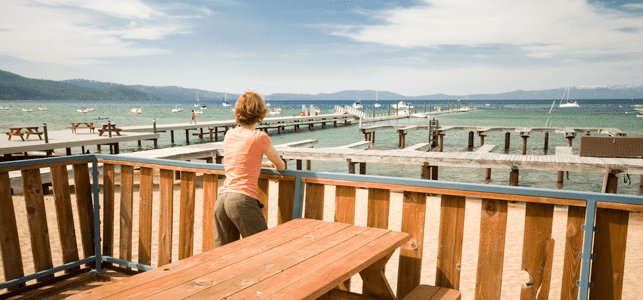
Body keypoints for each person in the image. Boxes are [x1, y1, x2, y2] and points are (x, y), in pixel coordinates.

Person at [214, 90, 286, 247]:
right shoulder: (259, 137)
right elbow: (281, 166)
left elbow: (240, 161)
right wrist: (274, 163)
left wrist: (262, 164)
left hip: (223, 199)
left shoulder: (229, 134)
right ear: (260, 113)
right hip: (242, 200)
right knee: (262, 247)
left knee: (223, 255)